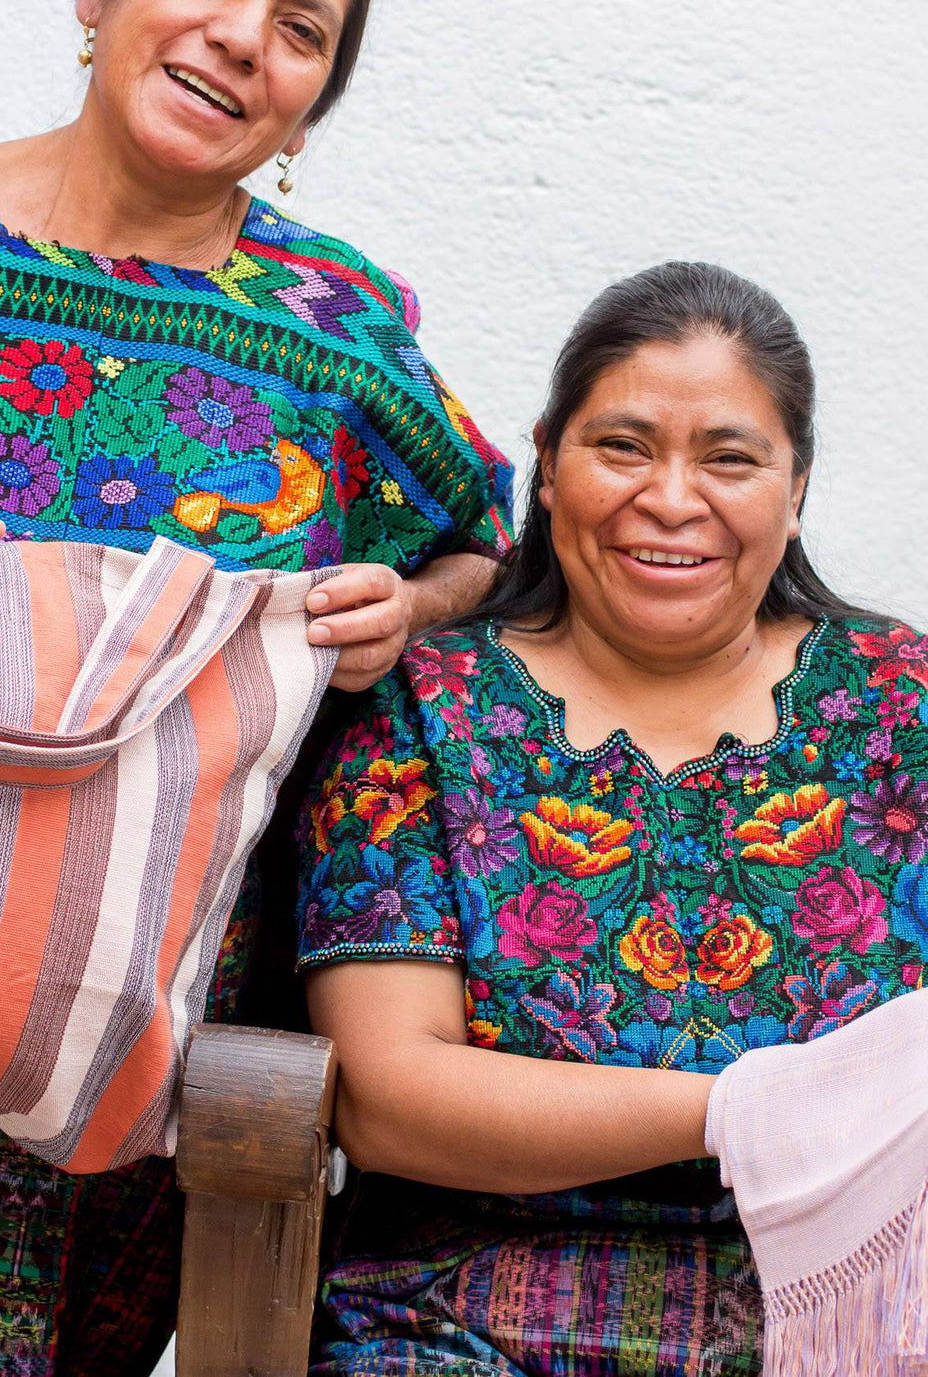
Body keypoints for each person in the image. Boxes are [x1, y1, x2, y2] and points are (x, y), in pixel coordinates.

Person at [0, 0, 512, 1375]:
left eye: (302, 29)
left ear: (307, 111)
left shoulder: (338, 334)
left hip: (102, 1006)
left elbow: (485, 544)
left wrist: (404, 608)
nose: (243, 37)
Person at [298, 261, 928, 1376]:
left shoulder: (900, 705)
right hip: (459, 1322)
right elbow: (390, 1098)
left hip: (862, 1317)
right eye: (624, 447)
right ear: (548, 466)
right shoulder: (423, 710)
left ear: (796, 488)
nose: (673, 500)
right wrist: (757, 1113)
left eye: (730, 458)